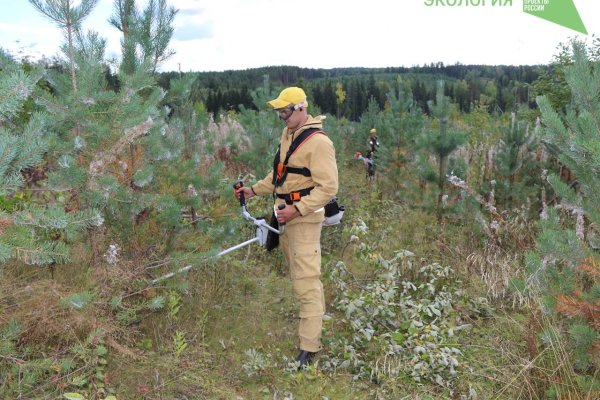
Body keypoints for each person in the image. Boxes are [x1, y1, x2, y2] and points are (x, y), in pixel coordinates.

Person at [234, 87, 338, 369]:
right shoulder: (289, 134)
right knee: (300, 276)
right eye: (279, 111)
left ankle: (309, 349)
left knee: (307, 281)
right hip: (283, 215)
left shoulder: (319, 143)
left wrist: (298, 209)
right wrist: (254, 190)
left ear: (301, 108)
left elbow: (329, 187)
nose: (281, 116)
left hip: (303, 219)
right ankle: (312, 321)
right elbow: (280, 173)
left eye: (285, 111)